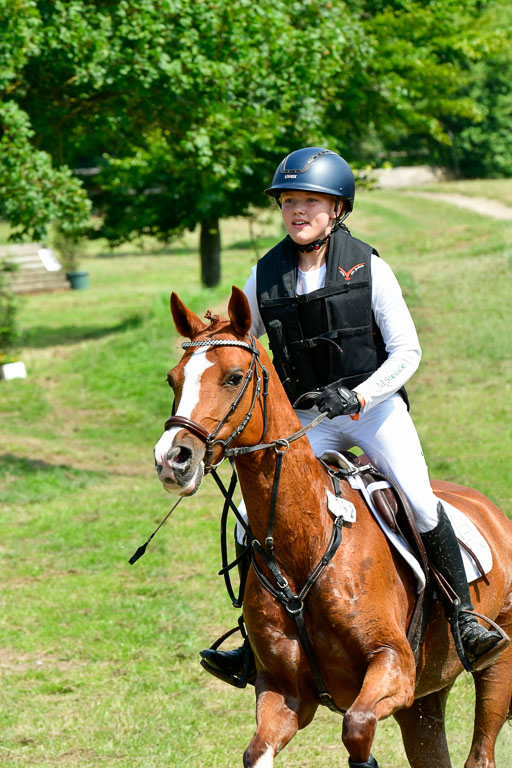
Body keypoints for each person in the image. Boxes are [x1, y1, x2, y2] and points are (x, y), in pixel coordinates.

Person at [200, 146, 505, 681]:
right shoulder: (263, 275)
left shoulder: (369, 266)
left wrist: (363, 395)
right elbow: (239, 343)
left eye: (310, 202)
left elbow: (407, 351)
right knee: (254, 518)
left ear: (337, 208)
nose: (297, 211)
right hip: (306, 422)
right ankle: (254, 643)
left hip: (373, 411)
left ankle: (463, 621)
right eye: (289, 201)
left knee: (418, 500)